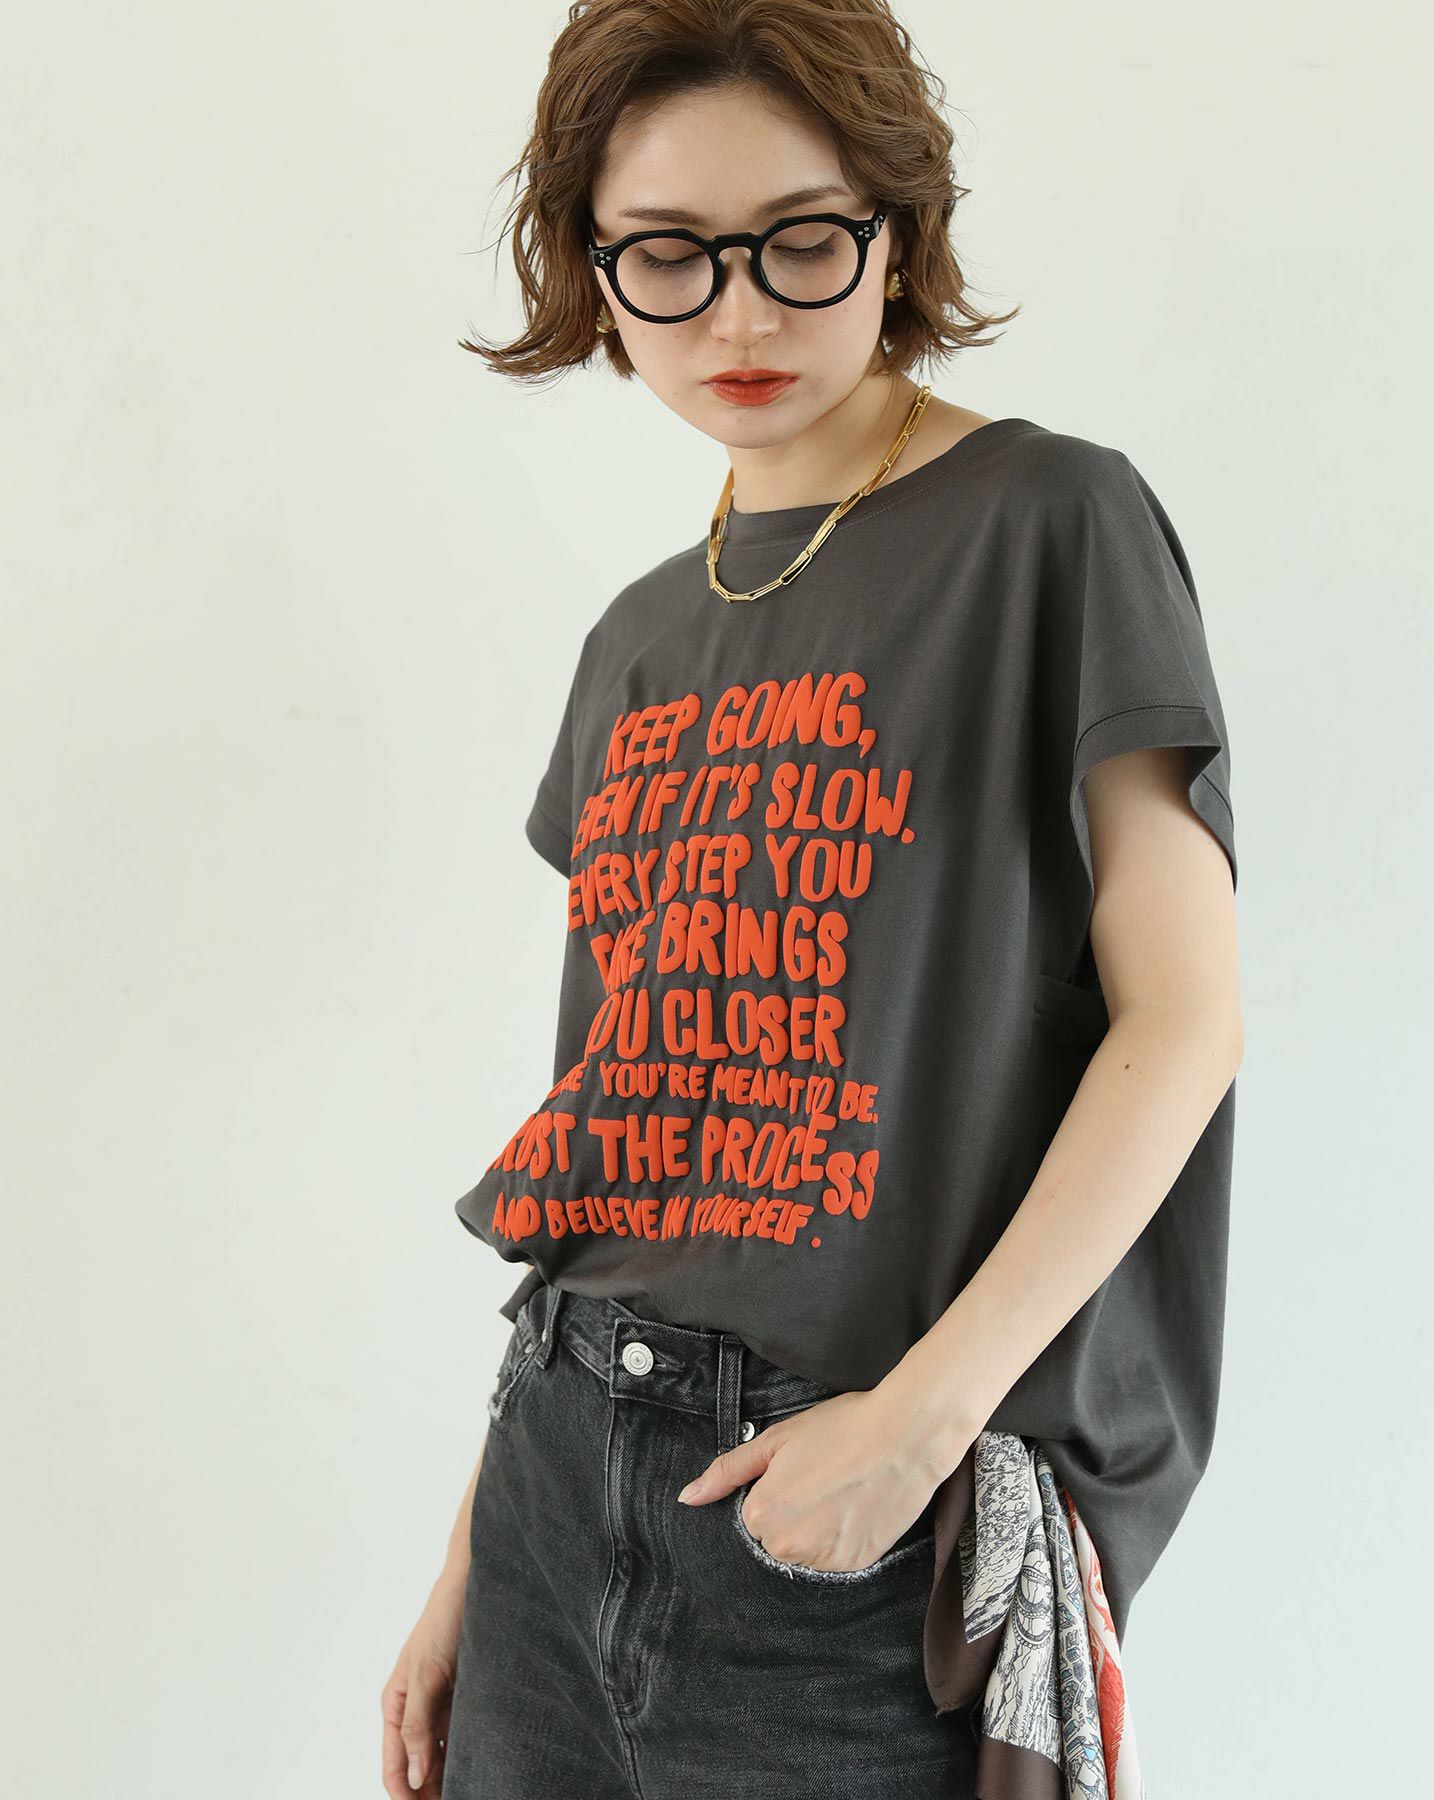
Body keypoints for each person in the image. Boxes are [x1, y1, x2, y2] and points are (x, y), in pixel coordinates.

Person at [381, 2, 1242, 1795]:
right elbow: (613, 1124)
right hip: (557, 1470)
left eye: (800, 242)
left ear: (896, 236)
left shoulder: (1050, 524)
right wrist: (472, 1554)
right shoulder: (636, 638)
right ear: (597, 273)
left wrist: (918, 1426)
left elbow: (1185, 1020)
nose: (742, 317)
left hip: (841, 1521)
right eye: (669, 256)